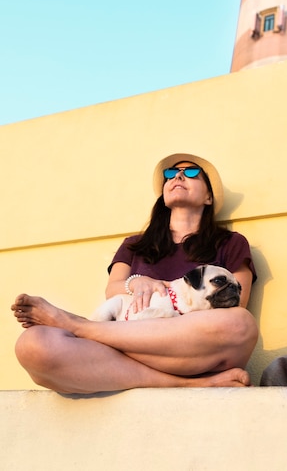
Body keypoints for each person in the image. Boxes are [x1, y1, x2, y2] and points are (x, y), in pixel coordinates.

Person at [12, 153, 258, 394]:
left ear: (208, 197)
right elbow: (113, 290)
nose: (178, 176)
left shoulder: (231, 243)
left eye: (191, 172)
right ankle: (189, 384)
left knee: (240, 323)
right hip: (124, 351)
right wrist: (138, 281)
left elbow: (238, 302)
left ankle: (78, 326)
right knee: (33, 345)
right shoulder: (133, 245)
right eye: (171, 174)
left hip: (195, 352)